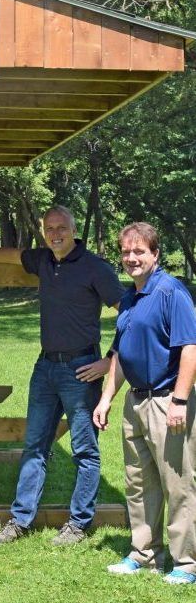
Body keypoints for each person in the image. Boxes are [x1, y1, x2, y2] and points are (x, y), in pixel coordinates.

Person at [0, 205, 124, 545]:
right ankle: (20, 520)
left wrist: (109, 360)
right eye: (49, 229)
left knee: (84, 450)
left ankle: (78, 523)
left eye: (61, 227)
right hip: (45, 368)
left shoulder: (95, 269)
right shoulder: (44, 260)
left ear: (74, 230)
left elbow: (130, 314)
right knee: (35, 446)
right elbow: (11, 255)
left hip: (82, 369)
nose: (55, 233)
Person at [93, 222, 196, 584]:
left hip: (167, 401)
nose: (131, 258)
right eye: (126, 252)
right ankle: (145, 553)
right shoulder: (130, 298)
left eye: (139, 251)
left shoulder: (171, 292)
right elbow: (120, 353)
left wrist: (180, 400)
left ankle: (186, 563)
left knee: (178, 483)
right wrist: (107, 398)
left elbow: (190, 348)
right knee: (138, 482)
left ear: (155, 253)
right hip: (135, 403)